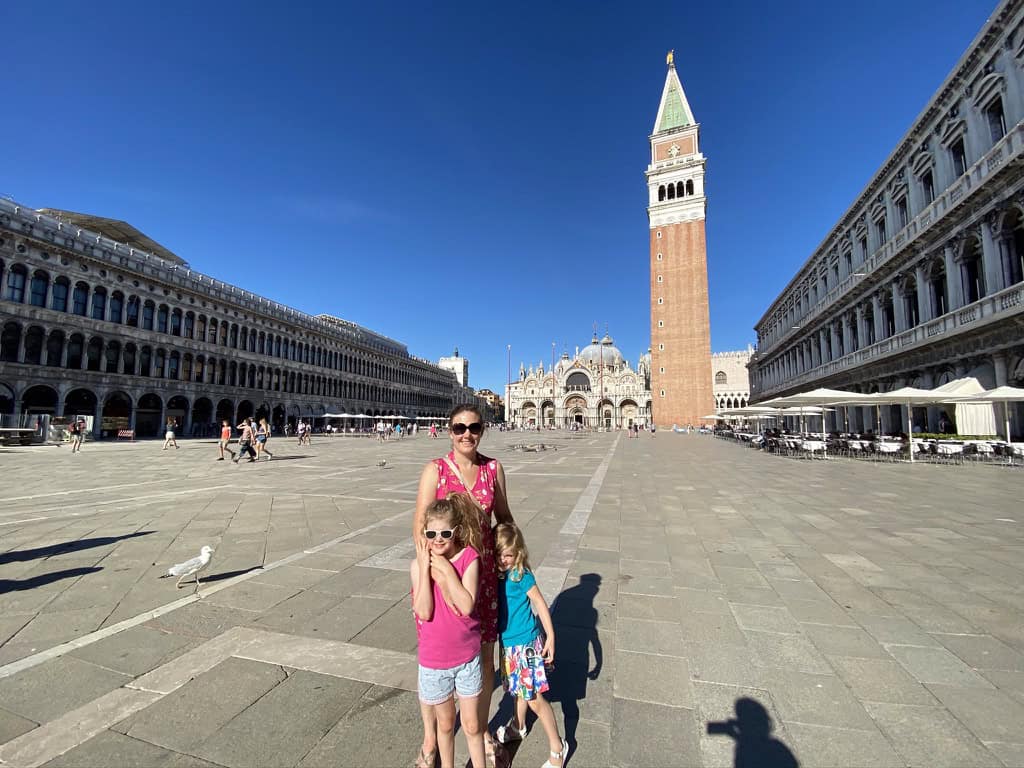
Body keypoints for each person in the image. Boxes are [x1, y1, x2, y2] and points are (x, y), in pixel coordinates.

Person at [415, 404, 515, 766]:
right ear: (449, 430)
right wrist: (433, 571)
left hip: (484, 577)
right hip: (441, 576)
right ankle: (430, 740)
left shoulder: (493, 469)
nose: (466, 434)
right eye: (459, 427)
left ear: (483, 429)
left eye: (473, 427)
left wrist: (514, 557)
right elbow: (420, 527)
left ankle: (481, 727)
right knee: (434, 659)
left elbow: (503, 519)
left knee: (484, 658)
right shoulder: (435, 471)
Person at [411, 494, 488, 768]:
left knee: (472, 724)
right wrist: (424, 567)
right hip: (434, 661)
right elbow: (423, 611)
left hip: (466, 657)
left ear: (456, 531)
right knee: (445, 725)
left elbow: (466, 605)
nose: (438, 539)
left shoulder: (469, 558)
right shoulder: (418, 566)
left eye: (445, 533)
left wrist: (445, 569)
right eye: (431, 533)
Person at [493, 524, 568, 768]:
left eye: (508, 555)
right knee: (517, 690)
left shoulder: (520, 575)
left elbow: (540, 603)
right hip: (508, 643)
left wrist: (551, 635)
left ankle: (558, 747)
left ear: (518, 554)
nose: (503, 560)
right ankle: (518, 725)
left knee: (534, 697)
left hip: (524, 644)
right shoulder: (499, 574)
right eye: (499, 554)